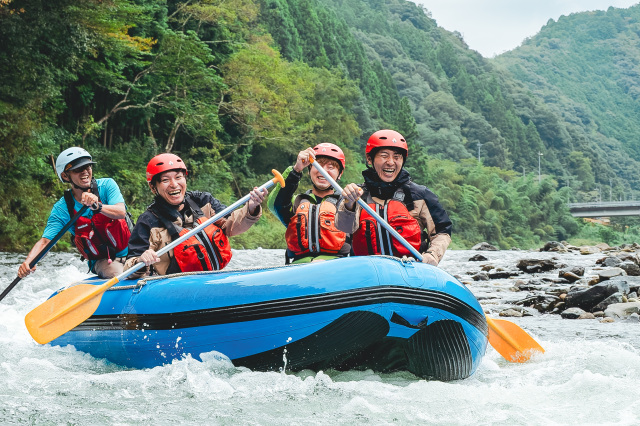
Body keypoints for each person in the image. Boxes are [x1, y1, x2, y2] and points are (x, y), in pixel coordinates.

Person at [124, 153, 267, 277]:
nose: (174, 184)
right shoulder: (147, 221)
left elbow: (232, 225)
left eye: (178, 177)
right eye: (165, 180)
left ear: (185, 179)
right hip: (174, 287)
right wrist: (142, 260)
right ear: (153, 187)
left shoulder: (203, 201)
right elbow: (129, 266)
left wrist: (252, 207)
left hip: (213, 277)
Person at [336, 130, 452, 265]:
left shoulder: (420, 195)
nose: (391, 162)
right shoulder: (356, 195)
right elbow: (343, 229)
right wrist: (349, 204)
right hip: (367, 271)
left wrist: (432, 255)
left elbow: (442, 231)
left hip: (410, 268)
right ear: (369, 159)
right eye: (384, 156)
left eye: (397, 157)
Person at [18, 147, 130, 279]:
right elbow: (46, 241)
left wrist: (98, 206)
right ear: (65, 176)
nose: (85, 172)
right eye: (78, 169)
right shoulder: (62, 208)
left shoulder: (107, 185)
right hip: (104, 262)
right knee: (118, 274)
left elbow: (121, 212)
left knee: (147, 269)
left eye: (87, 166)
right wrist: (29, 261)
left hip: (132, 252)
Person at [268, 143, 350, 264]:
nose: (324, 171)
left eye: (331, 167)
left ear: (340, 174)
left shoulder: (347, 203)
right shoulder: (297, 202)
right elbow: (274, 204)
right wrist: (296, 170)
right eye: (319, 165)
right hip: (300, 267)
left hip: (336, 267)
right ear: (309, 170)